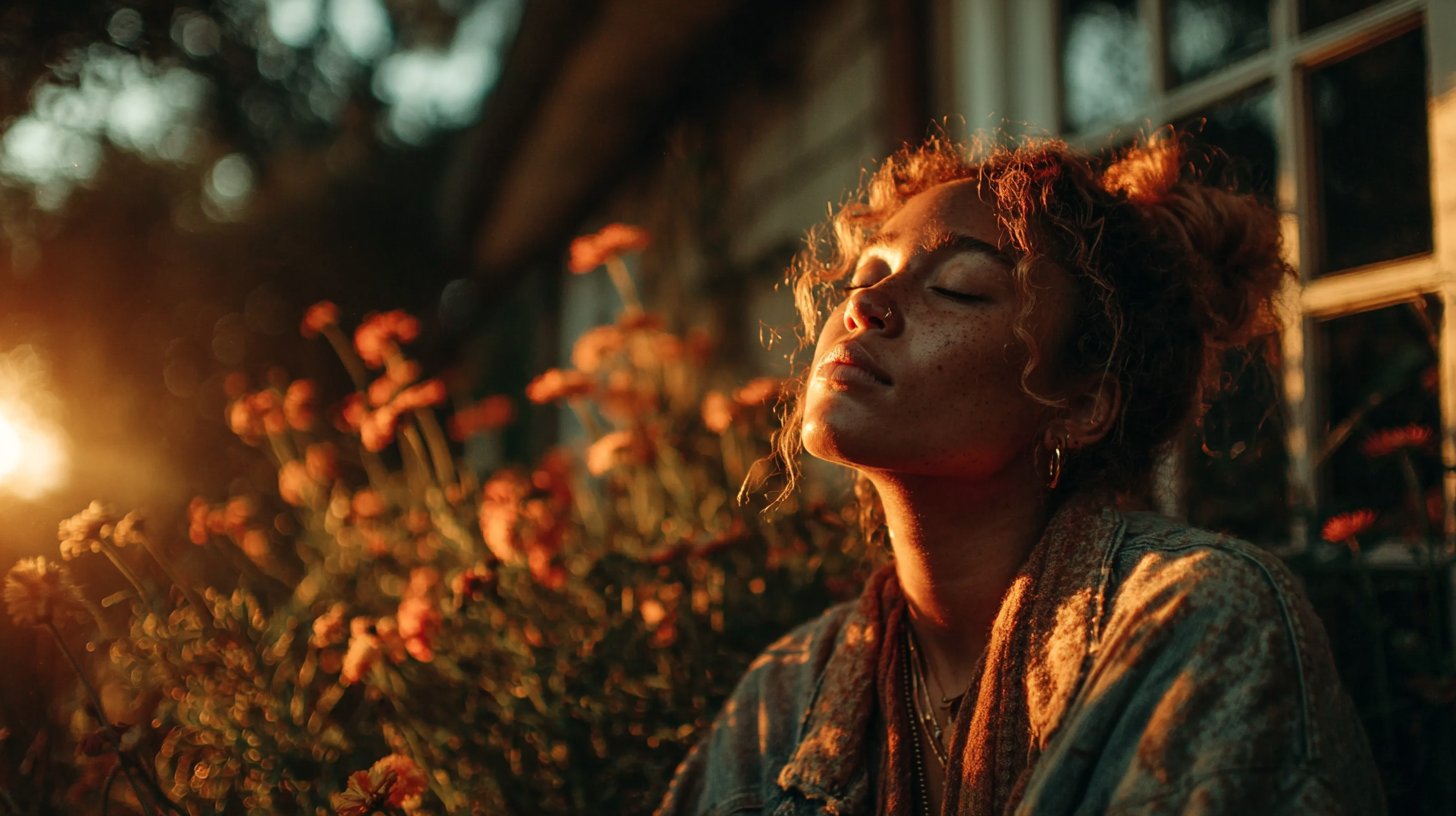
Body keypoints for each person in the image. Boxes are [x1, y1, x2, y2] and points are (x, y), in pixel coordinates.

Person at [654, 132, 1384, 815]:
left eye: (960, 289)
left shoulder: (1196, 618)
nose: (865, 307)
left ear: (1082, 402)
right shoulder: (781, 698)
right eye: (868, 272)